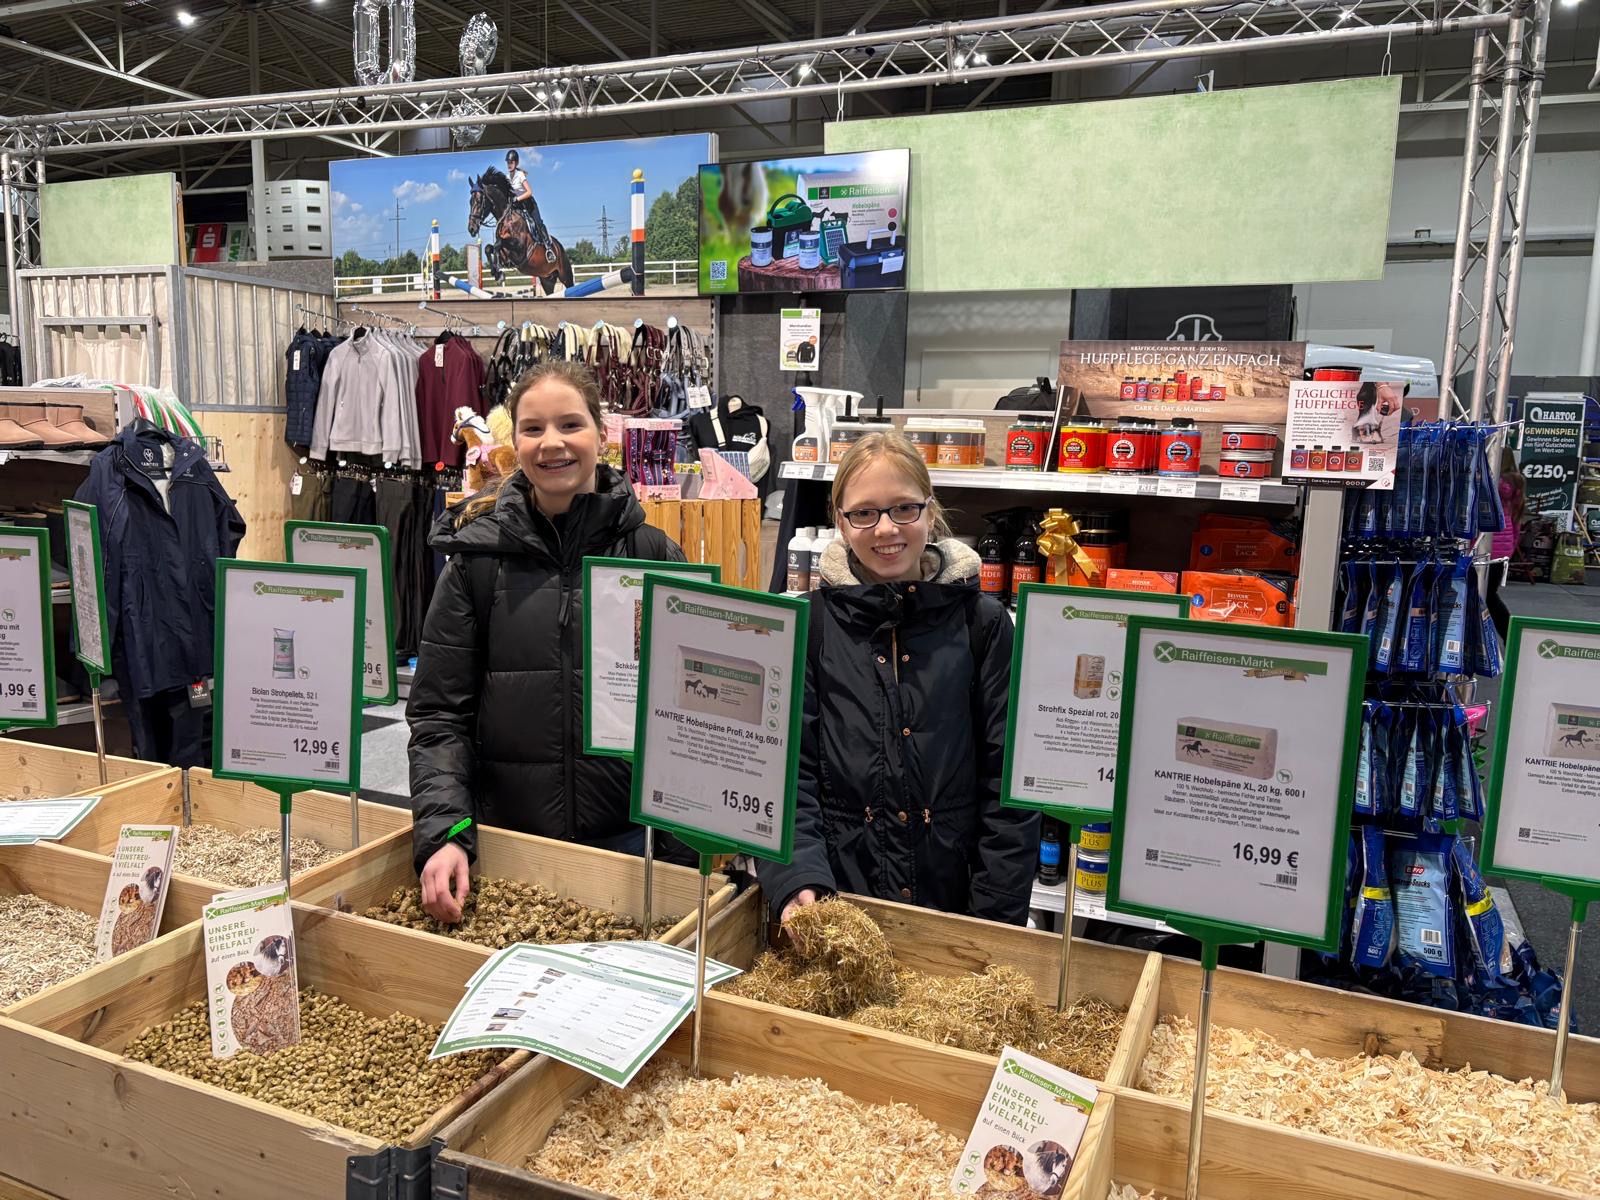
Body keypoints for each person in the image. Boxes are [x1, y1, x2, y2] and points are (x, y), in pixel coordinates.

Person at [407, 360, 686, 922]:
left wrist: (681, 857)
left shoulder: (653, 556)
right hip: (508, 856)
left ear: (601, 435)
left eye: (570, 424)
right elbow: (440, 714)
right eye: (532, 428)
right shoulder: (476, 563)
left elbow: (684, 722)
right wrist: (446, 830)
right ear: (515, 443)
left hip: (629, 853)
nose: (551, 443)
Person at [760, 430, 1039, 927]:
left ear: (930, 511)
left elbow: (1009, 786)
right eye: (864, 513)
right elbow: (785, 775)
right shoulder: (809, 625)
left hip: (955, 907)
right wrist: (798, 875)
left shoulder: (982, 624)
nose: (886, 528)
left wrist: (992, 920)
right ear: (840, 522)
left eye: (904, 508)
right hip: (839, 909)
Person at [1488, 447, 1525, 639]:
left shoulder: (1492, 482)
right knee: (1489, 595)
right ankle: (1509, 635)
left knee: (1486, 596)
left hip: (1488, 545)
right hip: (1504, 548)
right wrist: (1511, 547)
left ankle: (1508, 634)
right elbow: (1517, 522)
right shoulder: (1517, 484)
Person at [504, 149, 555, 256]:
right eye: (508, 162)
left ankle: (548, 247)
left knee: (538, 223)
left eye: (511, 162)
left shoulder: (520, 175)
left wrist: (517, 199)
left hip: (529, 204)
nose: (509, 164)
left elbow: (529, 192)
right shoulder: (507, 178)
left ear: (516, 163)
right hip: (518, 206)